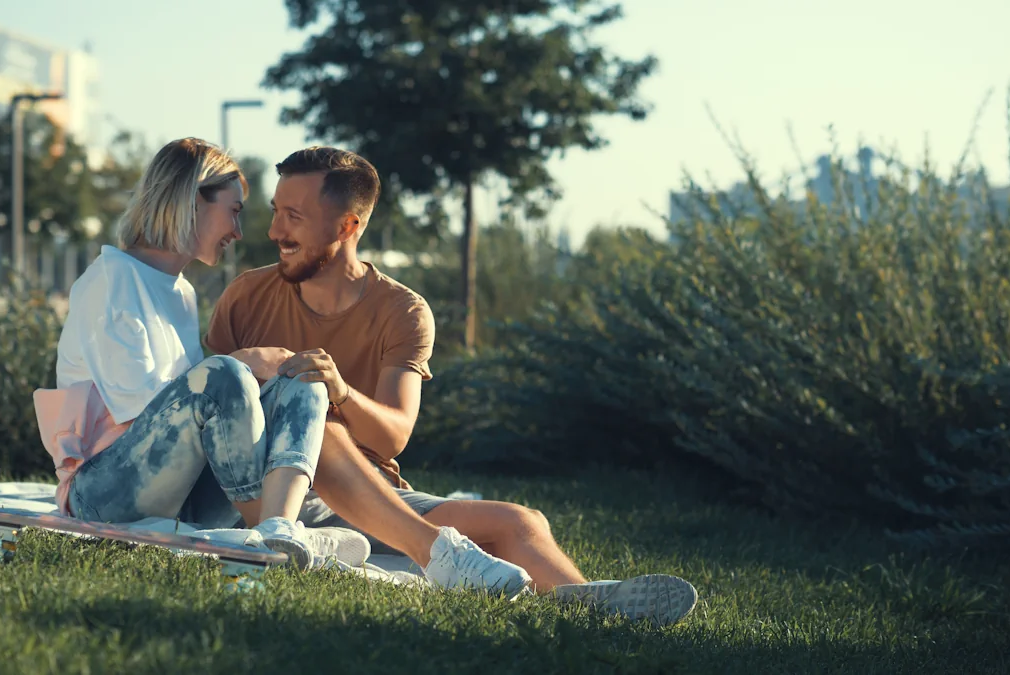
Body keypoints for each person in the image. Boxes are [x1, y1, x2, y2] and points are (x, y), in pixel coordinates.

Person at [204, 145, 700, 626]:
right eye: (275, 212)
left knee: (520, 522)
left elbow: (393, 436)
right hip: (271, 492)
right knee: (325, 434)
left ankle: (586, 604)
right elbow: (206, 408)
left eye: (294, 216)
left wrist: (342, 392)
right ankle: (484, 574)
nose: (274, 231)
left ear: (349, 225)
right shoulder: (247, 296)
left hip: (372, 494)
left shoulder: (402, 311)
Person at [34, 138, 532, 598]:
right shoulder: (111, 281)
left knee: (303, 376)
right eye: (232, 212)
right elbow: (147, 414)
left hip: (180, 499)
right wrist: (244, 363)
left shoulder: (182, 293)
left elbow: (192, 421)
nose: (239, 231)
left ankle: (279, 531)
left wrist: (271, 374)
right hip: (103, 495)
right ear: (189, 202)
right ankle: (289, 531)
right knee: (227, 374)